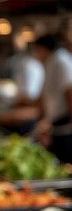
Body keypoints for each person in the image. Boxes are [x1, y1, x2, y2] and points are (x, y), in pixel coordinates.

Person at [33, 34, 72, 163]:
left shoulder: (61, 61)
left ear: (42, 48)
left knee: (65, 163)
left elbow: (69, 91)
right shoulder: (52, 61)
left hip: (65, 123)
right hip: (55, 122)